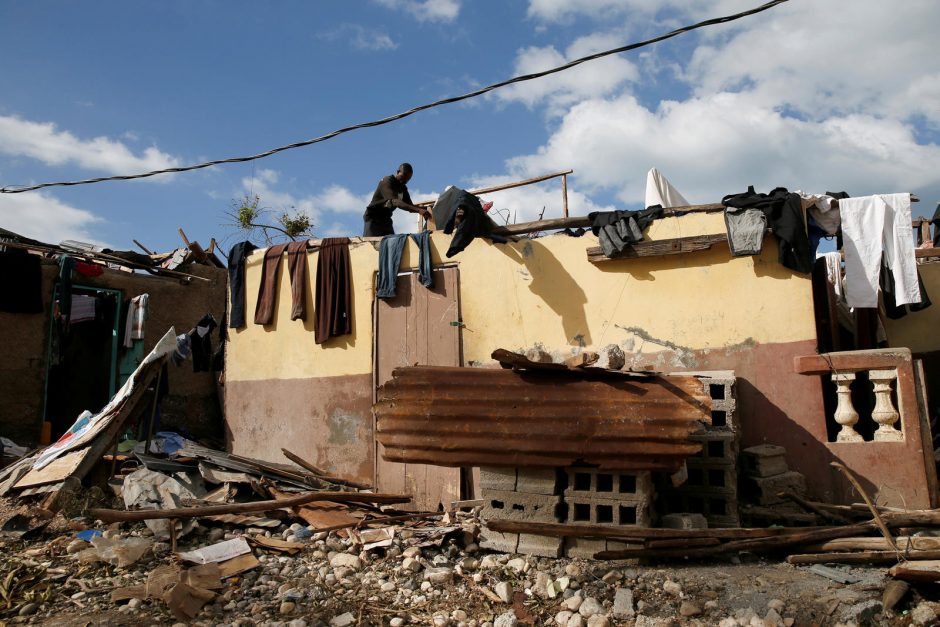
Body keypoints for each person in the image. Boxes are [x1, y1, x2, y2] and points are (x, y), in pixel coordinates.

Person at [363, 163, 431, 237]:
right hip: (373, 219)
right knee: (370, 244)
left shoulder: (403, 188)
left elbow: (410, 207)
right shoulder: (387, 181)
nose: (405, 180)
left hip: (386, 220)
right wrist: (419, 210)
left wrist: (426, 208)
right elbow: (395, 201)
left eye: (408, 179)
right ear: (398, 172)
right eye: (403, 176)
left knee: (391, 244)